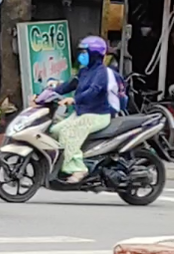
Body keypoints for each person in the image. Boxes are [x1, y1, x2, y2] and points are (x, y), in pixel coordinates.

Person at [48, 35, 121, 184]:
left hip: (97, 115)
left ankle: (78, 168)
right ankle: (62, 164)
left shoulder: (101, 73)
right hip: (82, 113)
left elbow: (93, 91)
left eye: (84, 52)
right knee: (54, 130)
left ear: (94, 54)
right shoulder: (84, 71)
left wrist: (74, 99)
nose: (81, 56)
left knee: (69, 133)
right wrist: (48, 92)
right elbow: (68, 86)